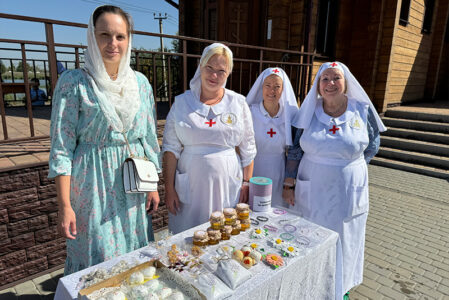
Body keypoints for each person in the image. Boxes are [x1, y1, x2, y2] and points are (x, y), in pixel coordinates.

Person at [48, 5, 160, 275]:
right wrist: (65, 206)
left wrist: (153, 185)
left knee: (133, 251)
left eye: (120, 36)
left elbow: (148, 138)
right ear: (92, 36)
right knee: (97, 256)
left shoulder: (141, 83)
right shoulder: (73, 83)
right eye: (105, 35)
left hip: (132, 186)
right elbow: (62, 149)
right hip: (91, 187)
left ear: (128, 40)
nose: (113, 43)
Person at [283, 61, 386, 299]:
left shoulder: (362, 109)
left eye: (336, 78)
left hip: (348, 189)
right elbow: (296, 150)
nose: (330, 84)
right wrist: (289, 183)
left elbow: (373, 145)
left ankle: (340, 287)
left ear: (345, 82)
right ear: (318, 86)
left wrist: (351, 167)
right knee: (310, 234)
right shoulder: (308, 110)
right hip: (313, 185)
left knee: (346, 236)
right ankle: (311, 285)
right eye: (325, 79)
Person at [162, 43, 256, 234]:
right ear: (201, 66)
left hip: (228, 183)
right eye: (209, 68)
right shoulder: (182, 103)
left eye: (221, 71)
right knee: (189, 238)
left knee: (223, 233)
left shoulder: (238, 103)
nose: (214, 76)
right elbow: (171, 149)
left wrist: (247, 182)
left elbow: (248, 147)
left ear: (228, 73)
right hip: (191, 185)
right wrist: (169, 188)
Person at [246, 67, 299, 208]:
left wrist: (289, 184)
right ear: (261, 88)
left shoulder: (290, 115)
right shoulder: (250, 112)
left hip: (279, 172)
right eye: (267, 85)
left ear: (283, 90)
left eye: (277, 86)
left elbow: (295, 150)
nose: (272, 91)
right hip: (254, 169)